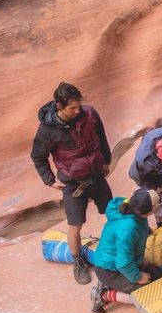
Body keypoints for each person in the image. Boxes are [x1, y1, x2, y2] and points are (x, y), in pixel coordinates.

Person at [30, 82, 113, 285]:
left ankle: (116, 248)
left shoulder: (90, 113)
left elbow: (101, 136)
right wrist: (49, 180)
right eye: (72, 108)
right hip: (73, 182)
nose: (78, 111)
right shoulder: (47, 131)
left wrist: (107, 160)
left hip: (96, 174)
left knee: (113, 212)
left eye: (79, 106)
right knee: (75, 225)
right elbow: (38, 156)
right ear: (59, 106)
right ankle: (78, 261)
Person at [89, 188, 162, 313]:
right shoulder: (127, 228)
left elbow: (131, 247)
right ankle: (104, 295)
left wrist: (140, 260)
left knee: (158, 278)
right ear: (148, 212)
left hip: (123, 262)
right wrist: (137, 277)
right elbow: (122, 262)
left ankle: (115, 285)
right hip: (109, 270)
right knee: (148, 294)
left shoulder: (134, 209)